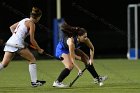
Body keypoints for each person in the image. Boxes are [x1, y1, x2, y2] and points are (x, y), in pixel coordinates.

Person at [0, 7, 46, 87]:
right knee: (32, 59)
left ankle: (34, 82)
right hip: (17, 43)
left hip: (10, 42)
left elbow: (11, 27)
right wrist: (39, 49)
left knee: (4, 64)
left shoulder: (24, 19)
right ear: (38, 17)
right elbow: (32, 40)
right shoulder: (32, 24)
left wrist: (17, 38)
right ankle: (34, 82)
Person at [52, 21, 107, 87]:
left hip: (72, 49)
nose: (86, 38)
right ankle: (57, 82)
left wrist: (91, 59)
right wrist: (79, 70)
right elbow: (72, 58)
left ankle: (96, 78)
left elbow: (92, 48)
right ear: (79, 36)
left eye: (86, 36)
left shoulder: (85, 39)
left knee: (86, 59)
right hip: (62, 49)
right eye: (84, 37)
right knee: (70, 66)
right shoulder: (71, 42)